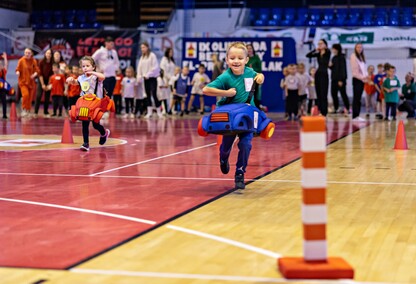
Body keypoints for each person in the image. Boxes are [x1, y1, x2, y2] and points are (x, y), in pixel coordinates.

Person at [203, 42, 265, 190]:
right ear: (227, 60)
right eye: (232, 58)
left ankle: (240, 172)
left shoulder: (250, 72)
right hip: (230, 118)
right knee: (226, 146)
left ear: (246, 60)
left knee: (245, 144)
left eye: (239, 58)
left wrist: (261, 77)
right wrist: (226, 93)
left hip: (247, 117)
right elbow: (206, 89)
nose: (236, 61)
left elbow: (259, 75)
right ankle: (223, 158)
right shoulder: (225, 76)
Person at [66, 56, 110, 151]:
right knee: (84, 122)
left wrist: (92, 72)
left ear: (93, 67)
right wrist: (71, 80)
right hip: (85, 103)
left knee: (95, 124)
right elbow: (75, 83)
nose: (85, 68)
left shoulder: (95, 77)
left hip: (96, 103)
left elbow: (103, 77)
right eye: (83, 66)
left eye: (87, 66)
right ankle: (86, 143)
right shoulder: (81, 77)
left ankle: (104, 133)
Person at [137, 42, 162, 118]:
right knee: (147, 95)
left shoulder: (152, 56)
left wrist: (148, 74)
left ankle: (159, 112)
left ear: (147, 47)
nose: (142, 49)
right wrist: (139, 76)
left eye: (144, 47)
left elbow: (155, 68)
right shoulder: (142, 57)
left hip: (152, 78)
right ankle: (149, 112)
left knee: (154, 94)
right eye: (141, 48)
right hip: (145, 79)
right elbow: (139, 68)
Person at [306, 39, 330, 116]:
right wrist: (314, 50)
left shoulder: (327, 52)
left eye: (321, 43)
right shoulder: (318, 53)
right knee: (319, 94)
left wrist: (322, 48)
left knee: (323, 94)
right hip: (318, 74)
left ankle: (324, 112)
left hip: (324, 74)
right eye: (318, 43)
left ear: (325, 45)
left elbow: (326, 58)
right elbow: (308, 55)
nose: (320, 45)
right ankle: (320, 110)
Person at [16, 48, 39, 117]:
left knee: (30, 98)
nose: (27, 54)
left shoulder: (33, 61)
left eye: (28, 53)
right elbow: (18, 69)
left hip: (31, 82)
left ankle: (28, 110)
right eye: (26, 52)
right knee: (25, 95)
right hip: (23, 82)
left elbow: (37, 70)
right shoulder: (21, 60)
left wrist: (34, 74)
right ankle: (24, 109)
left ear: (31, 54)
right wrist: (18, 72)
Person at [329, 43, 349, 115]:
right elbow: (333, 68)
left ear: (337, 49)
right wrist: (330, 66)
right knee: (333, 93)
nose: (333, 50)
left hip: (341, 79)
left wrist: (341, 80)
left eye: (334, 49)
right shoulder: (334, 58)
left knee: (343, 94)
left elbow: (342, 69)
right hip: (334, 78)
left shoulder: (341, 57)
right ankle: (336, 108)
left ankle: (347, 108)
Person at [350, 42, 368, 121]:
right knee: (356, 98)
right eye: (358, 47)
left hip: (362, 80)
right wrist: (363, 78)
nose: (359, 49)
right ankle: (355, 116)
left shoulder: (362, 57)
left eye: (361, 47)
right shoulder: (353, 56)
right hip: (357, 79)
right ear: (355, 48)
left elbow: (364, 69)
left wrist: (366, 77)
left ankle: (357, 115)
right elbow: (355, 72)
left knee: (359, 98)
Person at [34, 49, 53, 118]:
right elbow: (40, 74)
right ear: (45, 54)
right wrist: (42, 85)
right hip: (41, 79)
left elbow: (52, 74)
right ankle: (35, 112)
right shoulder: (41, 62)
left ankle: (46, 112)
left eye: (50, 54)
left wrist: (48, 84)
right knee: (38, 95)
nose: (48, 55)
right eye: (47, 53)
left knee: (47, 96)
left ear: (51, 55)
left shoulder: (52, 62)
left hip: (49, 80)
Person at [246, 43, 262, 108]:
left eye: (250, 48)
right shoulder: (245, 58)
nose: (249, 50)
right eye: (248, 49)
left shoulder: (256, 58)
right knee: (247, 94)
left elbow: (259, 69)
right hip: (246, 79)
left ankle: (256, 108)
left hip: (255, 78)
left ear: (253, 49)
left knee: (256, 94)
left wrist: (252, 69)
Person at [0, 52, 8, 119]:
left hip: (2, 89)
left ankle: (4, 115)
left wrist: (5, 58)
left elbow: (6, 64)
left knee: (4, 101)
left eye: (0, 65)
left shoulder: (3, 71)